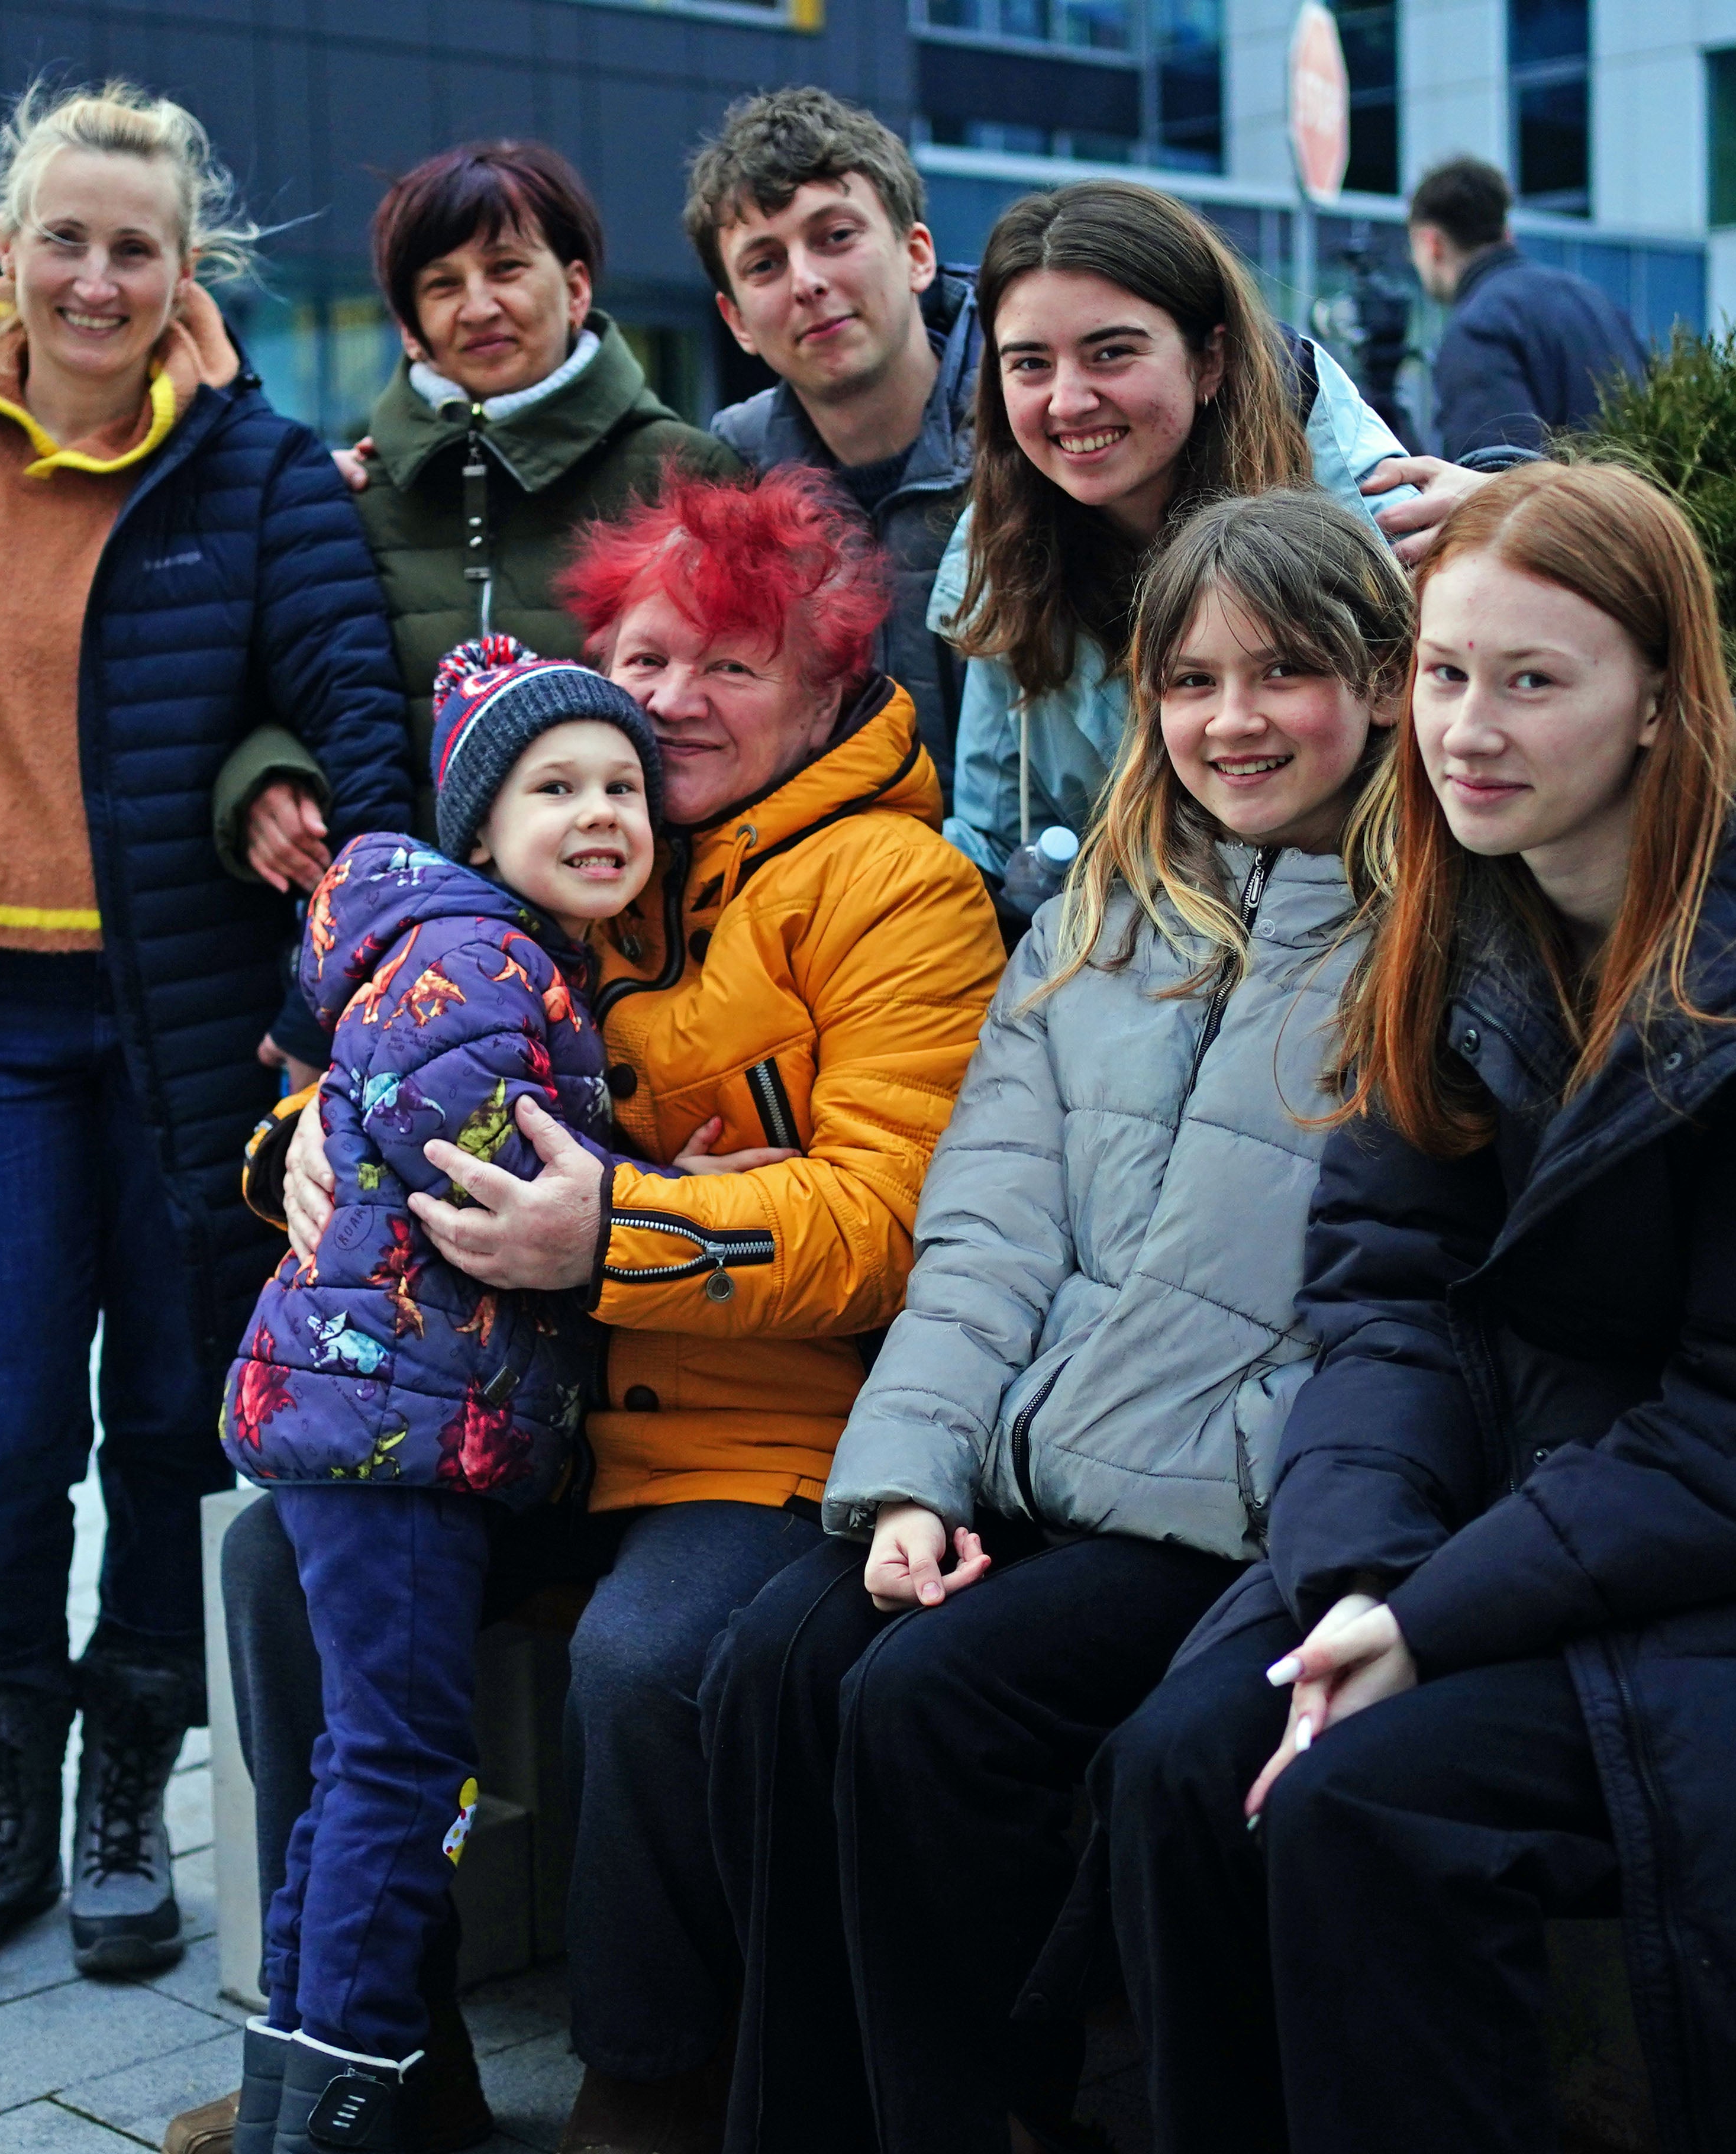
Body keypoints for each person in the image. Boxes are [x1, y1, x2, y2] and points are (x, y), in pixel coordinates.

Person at [1092, 461, 1736, 2154]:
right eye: (1443, 675)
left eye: (1533, 681)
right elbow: (1385, 1302)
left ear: (1661, 699)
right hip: (1554, 1519)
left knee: (1368, 1806)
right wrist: (1361, 1580)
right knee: (1180, 1763)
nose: (1469, 730)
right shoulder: (1459, 923)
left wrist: (1430, 1624)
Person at [173, 467, 1006, 2154]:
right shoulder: (572, 841)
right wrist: (299, 1160)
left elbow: (898, 1220)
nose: (675, 702)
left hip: (763, 1427)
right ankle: (380, 2063)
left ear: (831, 685)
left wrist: (615, 1230)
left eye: (731, 665)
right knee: (273, 1568)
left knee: (654, 1657)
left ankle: (654, 2072)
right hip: (528, 1405)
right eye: (643, 661)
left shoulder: (900, 889)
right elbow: (383, 1058)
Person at [701, 488, 1411, 2154]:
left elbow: (1379, 1311)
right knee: (776, 1666)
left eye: (1284, 673)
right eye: (1190, 680)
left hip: (1222, 1508)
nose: (1230, 722)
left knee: (926, 1705)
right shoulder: (1105, 916)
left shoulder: (1435, 929)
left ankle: (980, 2119)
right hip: (1034, 1459)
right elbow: (988, 1233)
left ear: (1383, 683)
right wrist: (908, 1486)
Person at [0, 82, 412, 1986]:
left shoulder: (257, 474)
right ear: (2, 252)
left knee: (170, 1430)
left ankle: (127, 1794)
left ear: (192, 273)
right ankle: (1, 1784)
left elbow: (351, 707)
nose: (97, 278)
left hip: (188, 1021)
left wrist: (335, 904)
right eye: (66, 239)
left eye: (137, 248)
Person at [223, 641, 683, 2154]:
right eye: (555, 787)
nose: (601, 811)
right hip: (398, 1430)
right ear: (481, 825)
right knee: (403, 1768)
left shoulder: (466, 934)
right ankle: (345, 2108)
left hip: (388, 1416)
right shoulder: (480, 956)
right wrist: (668, 1194)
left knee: (369, 1764)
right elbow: (474, 1146)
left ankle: (300, 2091)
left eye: (624, 784)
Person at [214, 136, 742, 1049]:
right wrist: (260, 777)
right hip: (416, 972)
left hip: (645, 962)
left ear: (576, 287)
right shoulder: (352, 492)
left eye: (507, 268)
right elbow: (271, 681)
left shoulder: (687, 475)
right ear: (411, 322)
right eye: (443, 284)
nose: (480, 306)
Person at [925, 179, 1470, 915]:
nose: (1067, 400)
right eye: (1029, 364)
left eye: (1110, 353)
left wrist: (1519, 513)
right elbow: (991, 839)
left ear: (1208, 359)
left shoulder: (1372, 510)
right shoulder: (1001, 541)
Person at [690, 88, 974, 783]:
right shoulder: (732, 472)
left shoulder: (1044, 416)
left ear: (916, 255)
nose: (807, 282)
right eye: (765, 264)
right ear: (736, 322)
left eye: (835, 236)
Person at [1407, 155, 1650, 460]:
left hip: (1561, 507)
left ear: (1433, 244)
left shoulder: (1479, 326)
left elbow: (1496, 482)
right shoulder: (1593, 300)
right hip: (1632, 503)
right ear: (1506, 233)